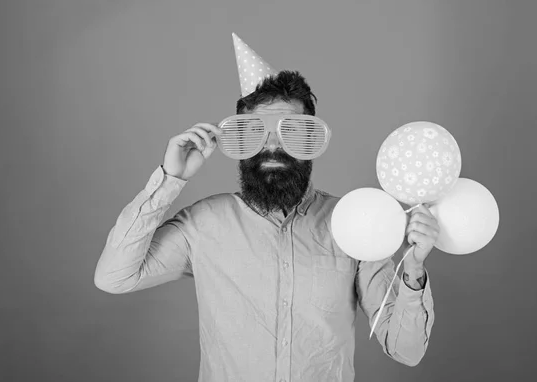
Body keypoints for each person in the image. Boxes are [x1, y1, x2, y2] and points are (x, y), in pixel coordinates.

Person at [94, 35, 438, 382]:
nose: (272, 147)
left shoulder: (353, 223)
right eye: (255, 133)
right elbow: (114, 277)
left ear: (311, 143)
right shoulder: (204, 224)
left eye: (292, 133)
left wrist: (413, 268)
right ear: (241, 142)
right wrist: (171, 179)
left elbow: (406, 350)